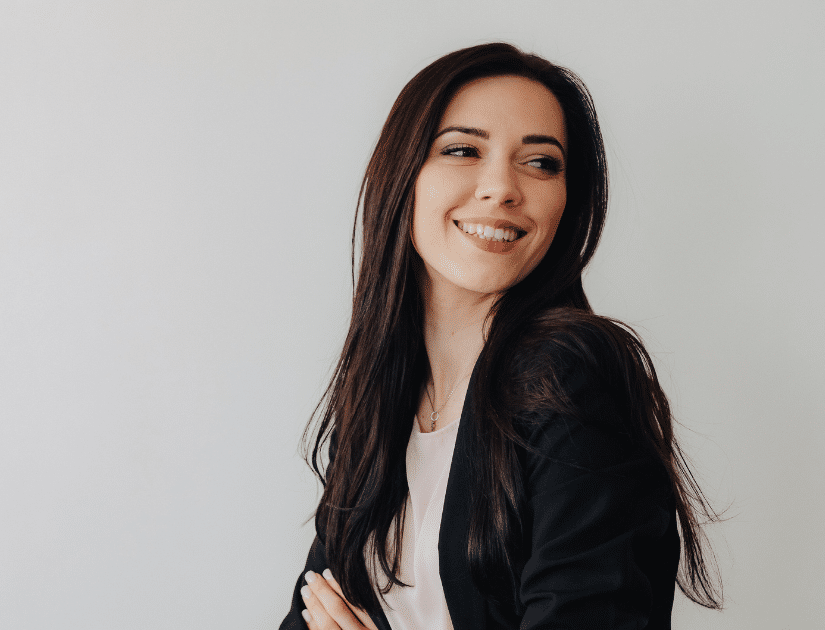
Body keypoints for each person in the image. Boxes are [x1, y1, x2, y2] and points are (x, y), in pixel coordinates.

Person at [278, 42, 723, 630]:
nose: (502, 187)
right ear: (403, 176)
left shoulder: (571, 375)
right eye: (463, 150)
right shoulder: (379, 398)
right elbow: (310, 613)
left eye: (541, 163)